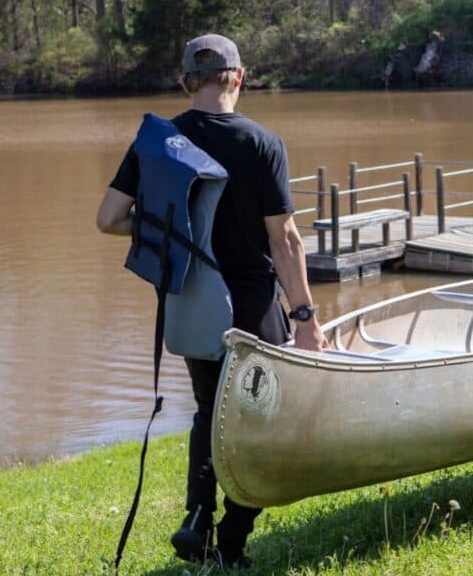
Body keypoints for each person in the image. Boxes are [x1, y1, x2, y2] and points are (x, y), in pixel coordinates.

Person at [96, 33, 328, 568]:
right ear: (238, 77)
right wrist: (306, 319)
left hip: (193, 304)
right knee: (262, 423)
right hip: (253, 311)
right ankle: (232, 541)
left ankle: (197, 519)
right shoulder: (262, 143)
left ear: (185, 82)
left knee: (210, 410)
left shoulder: (160, 142)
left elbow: (108, 219)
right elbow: (285, 240)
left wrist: (165, 233)